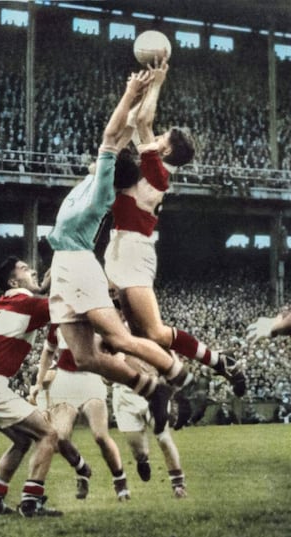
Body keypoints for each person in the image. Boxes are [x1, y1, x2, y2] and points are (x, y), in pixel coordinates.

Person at [48, 69, 193, 436]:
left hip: (79, 266)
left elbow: (114, 134)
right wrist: (140, 97)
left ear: (111, 174)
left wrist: (130, 92)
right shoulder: (93, 180)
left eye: (103, 162)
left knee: (120, 339)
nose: (96, 161)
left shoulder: (101, 190)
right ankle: (149, 388)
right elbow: (128, 128)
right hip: (63, 264)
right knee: (85, 356)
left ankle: (180, 380)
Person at [103, 55, 246, 399]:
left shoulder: (158, 171)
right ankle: (176, 385)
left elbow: (143, 120)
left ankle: (216, 365)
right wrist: (145, 88)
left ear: (167, 147)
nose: (158, 134)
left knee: (154, 332)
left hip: (134, 250)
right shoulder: (152, 166)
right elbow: (141, 123)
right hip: (121, 245)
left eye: (162, 136)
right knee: (140, 336)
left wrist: (157, 83)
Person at [0, 256, 82, 518]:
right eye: (26, 269)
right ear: (13, 281)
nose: (34, 270)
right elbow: (64, 308)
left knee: (22, 440)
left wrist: (47, 283)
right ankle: (31, 502)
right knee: (49, 434)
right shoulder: (23, 302)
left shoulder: (13, 302)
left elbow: (45, 302)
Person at [29, 326, 131, 502]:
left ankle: (119, 480)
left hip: (91, 381)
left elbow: (118, 350)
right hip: (65, 382)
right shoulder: (59, 320)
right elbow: (48, 351)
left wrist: (114, 369)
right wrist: (39, 382)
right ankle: (82, 469)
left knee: (100, 435)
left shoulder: (96, 318)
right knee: (59, 437)